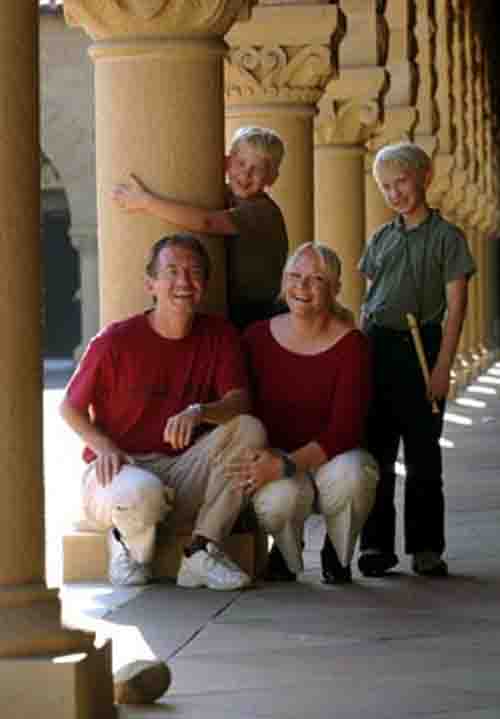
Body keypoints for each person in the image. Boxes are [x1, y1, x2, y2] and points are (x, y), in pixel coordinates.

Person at [59, 233, 270, 591]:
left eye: (194, 272)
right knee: (143, 491)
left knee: (249, 429)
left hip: (182, 472)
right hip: (121, 470)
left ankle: (201, 551)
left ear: (204, 284)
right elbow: (69, 407)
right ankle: (127, 545)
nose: (184, 282)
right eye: (172, 272)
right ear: (151, 284)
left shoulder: (219, 335)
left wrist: (200, 411)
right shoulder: (115, 341)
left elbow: (240, 401)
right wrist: (104, 447)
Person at [357, 142, 477, 578]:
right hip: (378, 346)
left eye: (401, 182)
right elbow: (369, 299)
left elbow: (456, 308)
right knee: (377, 451)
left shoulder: (448, 238)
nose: (395, 193)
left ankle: (426, 547)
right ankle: (375, 546)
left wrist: (443, 367)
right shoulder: (380, 238)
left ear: (425, 177)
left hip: (422, 345)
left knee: (423, 453)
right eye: (386, 187)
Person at [227, 242, 379, 584]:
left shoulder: (352, 345)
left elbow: (345, 430)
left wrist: (285, 464)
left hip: (330, 459)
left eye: (316, 279)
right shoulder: (255, 338)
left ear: (335, 289)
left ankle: (337, 550)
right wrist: (270, 461)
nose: (302, 287)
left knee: (356, 473)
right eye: (294, 276)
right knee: (278, 499)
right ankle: (286, 552)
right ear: (283, 282)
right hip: (277, 455)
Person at [111, 126, 288, 329]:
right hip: (236, 308)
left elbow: (206, 222)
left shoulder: (262, 212)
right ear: (226, 162)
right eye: (241, 163)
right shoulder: (228, 196)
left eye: (257, 169)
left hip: (254, 314)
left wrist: (146, 203)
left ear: (271, 177)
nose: (246, 174)